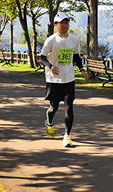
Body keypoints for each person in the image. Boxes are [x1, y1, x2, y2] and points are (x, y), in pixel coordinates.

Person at [40, 12, 88, 147]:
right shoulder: (51, 40)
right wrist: (50, 66)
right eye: (62, 23)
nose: (65, 25)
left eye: (67, 22)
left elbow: (76, 57)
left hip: (68, 78)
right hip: (53, 79)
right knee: (53, 107)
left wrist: (82, 70)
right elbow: (42, 57)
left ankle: (67, 135)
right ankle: (49, 121)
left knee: (69, 107)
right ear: (55, 25)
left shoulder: (74, 40)